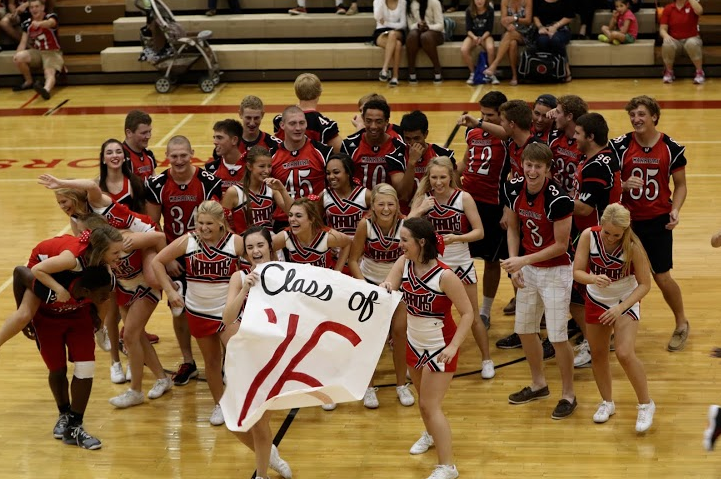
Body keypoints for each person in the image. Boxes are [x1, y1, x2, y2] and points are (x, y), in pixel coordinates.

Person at [379, 217, 473, 479]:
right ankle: (430, 434)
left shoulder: (445, 275)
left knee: (430, 405)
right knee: (423, 403)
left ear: (421, 242)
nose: (400, 245)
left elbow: (468, 313)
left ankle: (448, 466)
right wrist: (386, 286)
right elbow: (389, 283)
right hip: (413, 340)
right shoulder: (405, 263)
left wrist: (454, 347)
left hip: (440, 345)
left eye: (404, 240)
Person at [501, 142, 577, 420]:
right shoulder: (513, 188)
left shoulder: (559, 199)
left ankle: (568, 393)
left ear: (547, 169)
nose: (532, 171)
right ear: (523, 164)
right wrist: (514, 264)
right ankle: (539, 384)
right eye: (528, 165)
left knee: (557, 337)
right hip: (528, 268)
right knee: (524, 329)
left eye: (538, 167)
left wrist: (523, 260)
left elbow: (560, 245)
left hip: (556, 271)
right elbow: (512, 227)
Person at [152, 200, 244, 425]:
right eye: (200, 223)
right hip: (198, 311)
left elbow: (258, 265)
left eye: (209, 223)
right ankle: (219, 404)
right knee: (211, 361)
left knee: (236, 357)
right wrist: (170, 291)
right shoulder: (188, 241)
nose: (203, 228)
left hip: (227, 311)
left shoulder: (236, 243)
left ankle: (241, 400)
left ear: (221, 223)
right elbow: (157, 261)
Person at [610, 95, 689, 352]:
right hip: (626, 223)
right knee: (622, 277)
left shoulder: (671, 148)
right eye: (632, 115)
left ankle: (681, 323)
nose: (636, 119)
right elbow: (608, 182)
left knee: (662, 276)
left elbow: (681, 186)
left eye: (641, 114)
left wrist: (675, 209)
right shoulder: (619, 146)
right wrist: (622, 184)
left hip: (657, 222)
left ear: (654, 116)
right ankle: (620, 327)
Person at [72, 213, 171, 409]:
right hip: (125, 288)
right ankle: (162, 378)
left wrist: (166, 268)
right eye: (113, 254)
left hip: (145, 284)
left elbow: (159, 238)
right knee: (138, 336)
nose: (117, 257)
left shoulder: (127, 240)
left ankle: (135, 391)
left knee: (130, 336)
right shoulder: (95, 253)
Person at [145, 136, 223, 385]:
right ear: (167, 156)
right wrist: (166, 257)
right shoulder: (157, 183)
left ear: (192, 153)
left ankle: (220, 363)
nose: (178, 160)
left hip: (203, 253)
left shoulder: (209, 182)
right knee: (178, 309)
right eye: (173, 156)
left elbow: (215, 221)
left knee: (215, 308)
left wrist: (211, 256)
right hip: (174, 255)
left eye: (183, 155)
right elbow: (152, 226)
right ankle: (188, 360)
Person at [12, 264, 114, 450]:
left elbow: (101, 299)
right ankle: (64, 413)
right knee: (57, 369)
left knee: (86, 368)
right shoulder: (54, 282)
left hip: (79, 319)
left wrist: (97, 318)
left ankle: (75, 425)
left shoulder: (95, 278)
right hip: (46, 322)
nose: (107, 298)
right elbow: (19, 271)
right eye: (103, 295)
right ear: (85, 290)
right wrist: (23, 311)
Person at [572, 203, 655, 432]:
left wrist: (621, 308)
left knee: (624, 353)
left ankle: (646, 404)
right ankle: (607, 402)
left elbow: (645, 285)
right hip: (596, 299)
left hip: (624, 300)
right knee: (597, 354)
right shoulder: (589, 236)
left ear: (625, 231)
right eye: (607, 232)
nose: (610, 238)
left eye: (616, 235)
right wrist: (592, 279)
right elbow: (577, 271)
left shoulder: (633, 245)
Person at [410, 156, 495, 379]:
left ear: (451, 177)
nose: (438, 182)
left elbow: (479, 232)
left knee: (473, 314)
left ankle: (486, 358)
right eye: (434, 177)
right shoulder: (424, 199)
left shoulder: (463, 198)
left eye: (443, 178)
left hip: (461, 262)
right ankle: (421, 359)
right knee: (427, 315)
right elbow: (407, 228)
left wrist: (456, 238)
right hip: (432, 265)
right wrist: (419, 210)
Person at [222, 226, 293, 479]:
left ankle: (261, 474)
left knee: (261, 424)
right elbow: (227, 318)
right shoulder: (239, 277)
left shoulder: (288, 276)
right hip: (243, 360)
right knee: (233, 421)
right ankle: (270, 455)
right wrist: (244, 291)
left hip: (272, 360)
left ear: (270, 247)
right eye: (250, 247)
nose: (255, 251)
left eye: (260, 245)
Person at [0, 225, 124, 352]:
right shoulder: (71, 259)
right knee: (24, 315)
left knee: (104, 294)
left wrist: (109, 267)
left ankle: (100, 329)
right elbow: (37, 270)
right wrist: (59, 289)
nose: (121, 255)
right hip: (41, 267)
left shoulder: (96, 253)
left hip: (62, 267)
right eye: (115, 253)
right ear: (100, 252)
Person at [348, 184, 414, 409]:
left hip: (398, 286)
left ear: (397, 206)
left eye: (390, 204)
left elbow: (411, 257)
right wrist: (364, 287)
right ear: (372, 206)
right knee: (369, 337)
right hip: (370, 285)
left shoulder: (406, 225)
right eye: (381, 204)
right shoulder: (364, 225)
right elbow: (353, 259)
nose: (386, 208)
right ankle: (368, 387)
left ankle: (400, 385)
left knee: (399, 333)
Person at [568, 112, 621, 368]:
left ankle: (593, 344)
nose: (574, 137)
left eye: (578, 133)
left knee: (577, 296)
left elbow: (584, 208)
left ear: (590, 136)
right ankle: (599, 340)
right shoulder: (603, 157)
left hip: (595, 239)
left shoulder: (596, 165)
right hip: (599, 237)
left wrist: (553, 199)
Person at [456, 91, 510, 335]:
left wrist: (478, 122)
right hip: (468, 201)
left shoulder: (507, 137)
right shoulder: (472, 132)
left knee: (492, 260)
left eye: (490, 115)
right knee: (459, 255)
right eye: (482, 114)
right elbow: (466, 161)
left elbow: (507, 133)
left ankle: (485, 311)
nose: (484, 119)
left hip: (493, 204)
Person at [270, 105, 334, 230]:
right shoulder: (271, 155)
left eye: (302, 123)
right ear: (282, 125)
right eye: (292, 123)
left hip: (315, 220)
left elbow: (333, 186)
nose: (298, 128)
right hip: (284, 222)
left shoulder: (323, 151)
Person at [222, 145, 293, 235]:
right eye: (262, 166)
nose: (267, 171)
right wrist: (235, 239)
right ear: (249, 166)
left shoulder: (271, 188)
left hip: (270, 243)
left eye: (269, 166)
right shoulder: (234, 192)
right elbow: (221, 220)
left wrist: (282, 189)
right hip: (245, 244)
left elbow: (292, 213)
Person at [341, 99, 407, 192]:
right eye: (368, 121)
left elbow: (402, 190)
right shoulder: (349, 145)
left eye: (378, 122)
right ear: (363, 119)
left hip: (387, 203)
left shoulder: (398, 147)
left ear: (386, 122)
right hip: (358, 202)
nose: (373, 126)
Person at [272, 73, 342, 152]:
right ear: (319, 92)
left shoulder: (280, 120)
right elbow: (340, 151)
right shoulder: (326, 125)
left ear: (297, 92)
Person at [398, 109, 454, 205]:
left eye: (416, 138)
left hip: (436, 210)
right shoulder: (396, 157)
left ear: (425, 134)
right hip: (407, 214)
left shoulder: (443, 154)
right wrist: (411, 163)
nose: (412, 143)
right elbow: (404, 196)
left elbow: (455, 189)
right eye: (407, 139)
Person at [11, 0, 63, 99]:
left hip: (52, 52)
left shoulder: (50, 16)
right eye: (31, 7)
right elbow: (23, 42)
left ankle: (46, 90)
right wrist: (17, 56)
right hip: (37, 52)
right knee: (18, 57)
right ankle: (29, 81)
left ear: (42, 7)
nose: (34, 9)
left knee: (49, 72)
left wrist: (40, 24)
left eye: (36, 6)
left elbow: (51, 23)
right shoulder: (27, 23)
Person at [483, 0, 534, 86]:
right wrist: (507, 25)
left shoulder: (527, 1)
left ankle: (494, 65)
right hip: (510, 32)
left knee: (509, 35)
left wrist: (515, 19)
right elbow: (503, 20)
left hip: (526, 33)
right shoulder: (505, 1)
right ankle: (514, 76)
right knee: (512, 43)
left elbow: (528, 20)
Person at [547, 94, 588, 194]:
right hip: (555, 195)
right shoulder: (554, 137)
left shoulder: (585, 144)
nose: (554, 115)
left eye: (557, 112)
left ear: (569, 116)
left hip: (576, 198)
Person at [659, 0, 704, 84]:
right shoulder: (669, 8)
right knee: (667, 44)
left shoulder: (691, 5)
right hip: (676, 41)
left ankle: (699, 72)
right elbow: (662, 29)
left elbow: (700, 11)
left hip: (691, 38)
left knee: (692, 43)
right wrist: (666, 35)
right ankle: (669, 72)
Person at [532, 0, 575, 82]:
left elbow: (570, 16)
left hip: (561, 28)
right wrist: (541, 27)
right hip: (543, 28)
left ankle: (565, 69)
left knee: (556, 40)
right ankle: (546, 70)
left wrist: (555, 26)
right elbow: (535, 16)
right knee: (542, 41)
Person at [406, 0, 445, 84]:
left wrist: (428, 27)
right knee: (412, 36)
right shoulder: (410, 4)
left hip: (436, 33)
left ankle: (437, 69)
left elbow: (440, 25)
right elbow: (410, 26)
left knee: (425, 37)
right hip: (418, 32)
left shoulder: (434, 2)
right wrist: (417, 25)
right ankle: (411, 70)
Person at [461, 0, 497, 85]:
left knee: (490, 48)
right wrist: (474, 37)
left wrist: (482, 38)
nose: (479, 1)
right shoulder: (469, 10)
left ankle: (492, 74)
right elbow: (468, 30)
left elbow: (489, 29)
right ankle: (473, 73)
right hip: (472, 35)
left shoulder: (490, 10)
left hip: (485, 35)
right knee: (464, 49)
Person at [205, 119, 245, 193]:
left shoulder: (252, 167)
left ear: (234, 140)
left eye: (219, 138)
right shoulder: (210, 170)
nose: (215, 142)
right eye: (214, 138)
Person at [374, 0, 407, 87]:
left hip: (398, 32)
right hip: (381, 31)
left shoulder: (402, 2)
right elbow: (377, 17)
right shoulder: (378, 1)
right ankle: (395, 77)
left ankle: (385, 69)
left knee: (392, 34)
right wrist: (382, 2)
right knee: (397, 44)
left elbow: (403, 24)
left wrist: (386, 23)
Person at [123, 110, 156, 179]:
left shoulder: (149, 155)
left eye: (149, 131)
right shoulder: (122, 158)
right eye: (143, 133)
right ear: (129, 133)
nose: (148, 136)